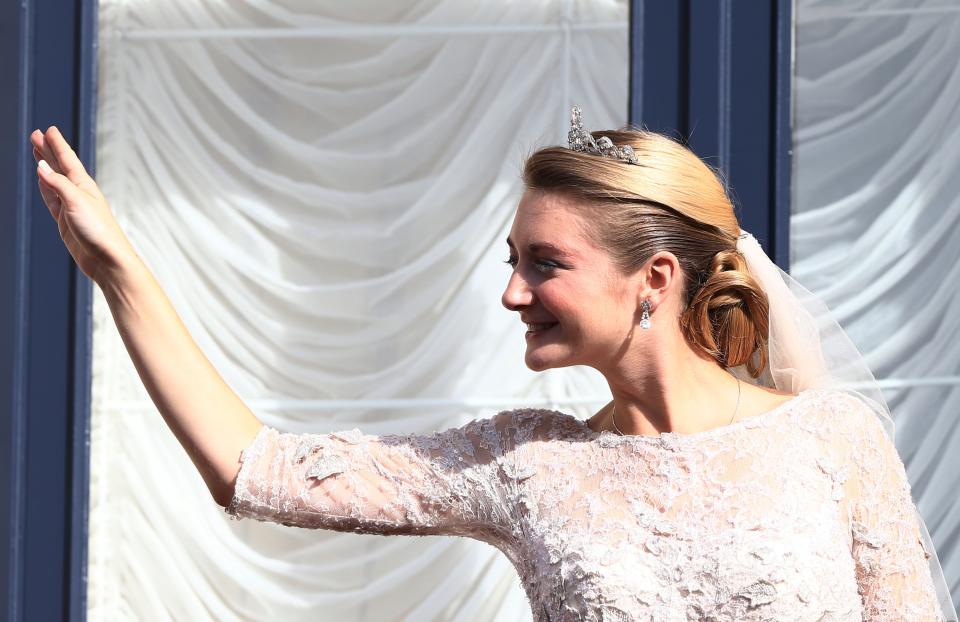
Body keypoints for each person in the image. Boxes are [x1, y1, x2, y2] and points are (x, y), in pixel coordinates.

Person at [29, 108, 955, 621]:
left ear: (654, 278)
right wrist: (120, 271)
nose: (512, 294)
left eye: (544, 264)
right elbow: (253, 469)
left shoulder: (833, 439)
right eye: (511, 262)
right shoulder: (527, 462)